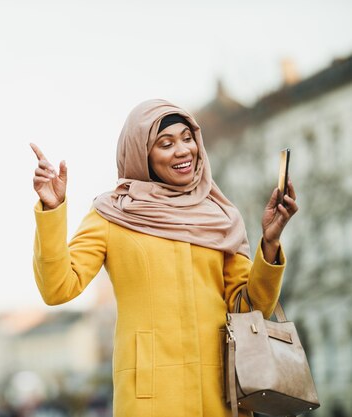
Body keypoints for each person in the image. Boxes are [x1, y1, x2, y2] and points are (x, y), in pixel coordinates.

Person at [29, 99, 298, 417]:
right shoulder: (113, 214)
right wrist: (52, 210)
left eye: (187, 138)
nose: (183, 150)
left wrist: (269, 243)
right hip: (150, 400)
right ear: (143, 154)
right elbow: (58, 288)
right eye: (166, 143)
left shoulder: (221, 216)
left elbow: (248, 310)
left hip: (219, 398)